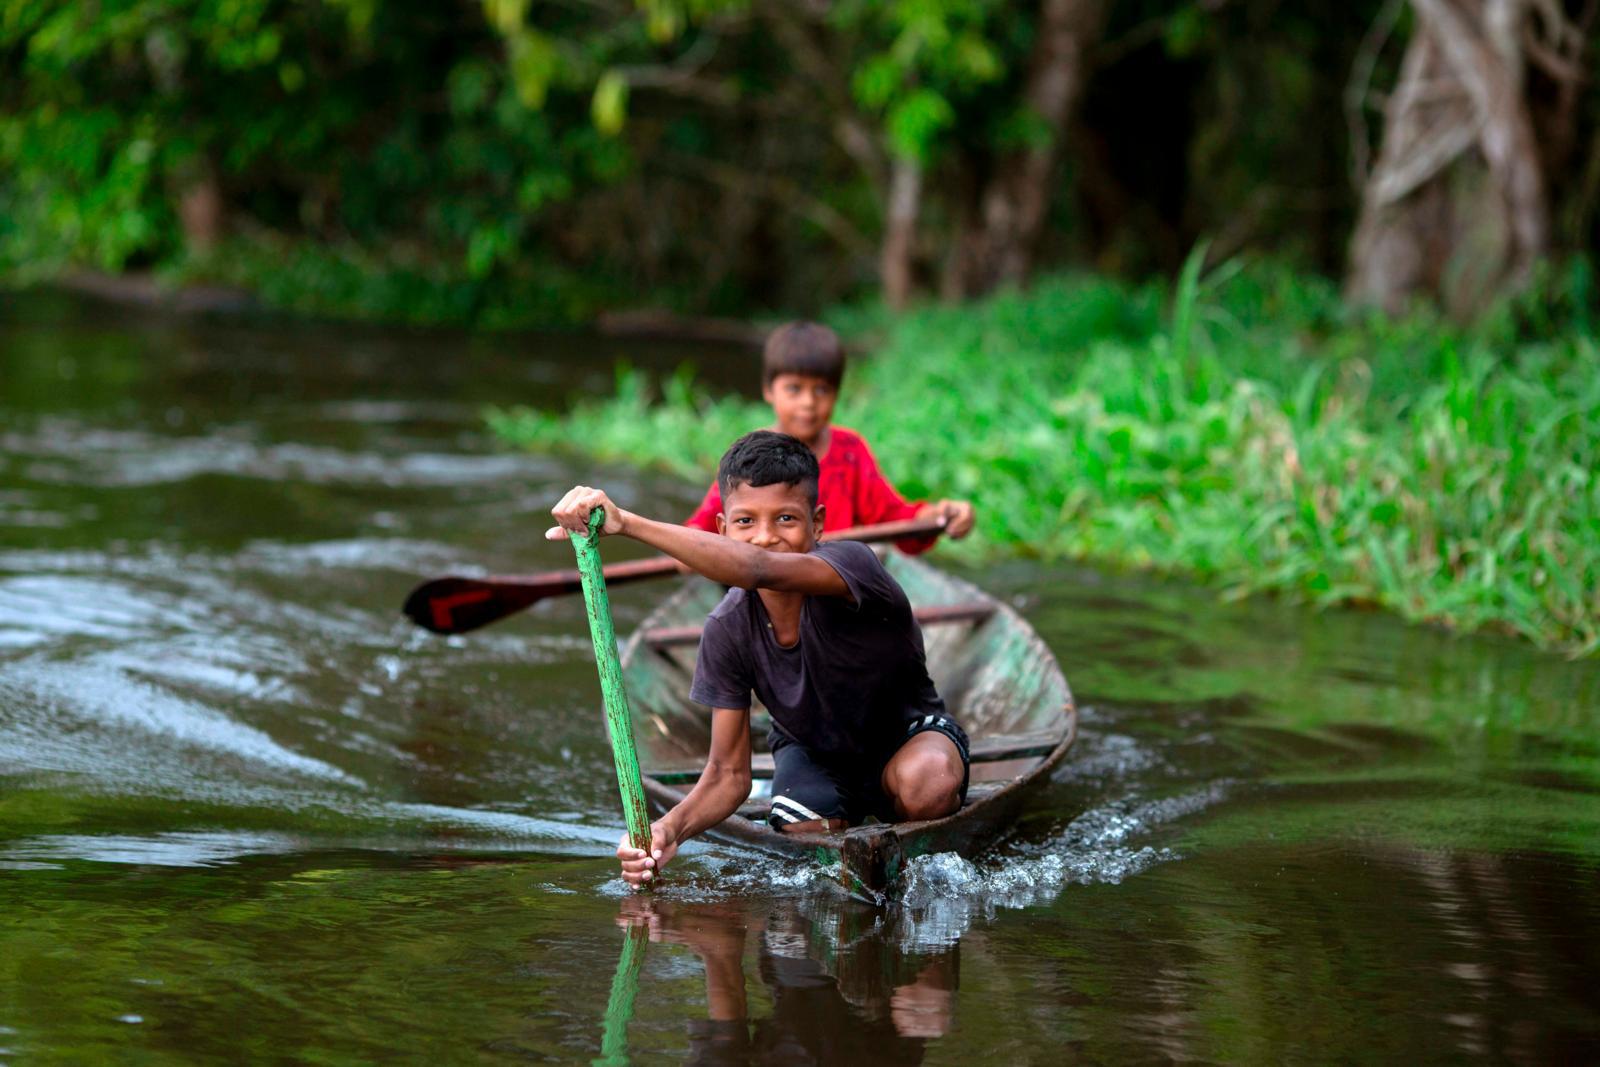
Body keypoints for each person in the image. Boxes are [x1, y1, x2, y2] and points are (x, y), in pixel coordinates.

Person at [546, 430, 970, 888]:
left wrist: (626, 522)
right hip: (814, 751)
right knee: (800, 823)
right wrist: (668, 831)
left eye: (786, 519)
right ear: (722, 531)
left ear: (818, 524)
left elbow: (756, 567)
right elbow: (728, 773)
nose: (765, 538)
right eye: (745, 522)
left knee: (927, 785)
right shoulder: (727, 629)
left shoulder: (852, 568)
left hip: (906, 733)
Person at [683, 321, 975, 554]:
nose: (808, 402)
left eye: (821, 390)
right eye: (794, 389)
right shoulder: (749, 456)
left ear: (836, 394)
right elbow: (703, 527)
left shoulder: (850, 451)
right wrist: (688, 548)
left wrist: (940, 515)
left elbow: (896, 520)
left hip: (832, 585)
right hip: (764, 585)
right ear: (769, 390)